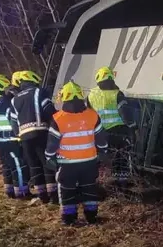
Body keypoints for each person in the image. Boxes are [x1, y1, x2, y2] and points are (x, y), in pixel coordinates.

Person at [45, 81, 108, 225]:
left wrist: (49, 157)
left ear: (63, 98)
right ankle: (92, 216)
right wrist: (103, 151)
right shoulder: (92, 115)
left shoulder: (58, 118)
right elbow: (101, 138)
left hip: (66, 164)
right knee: (89, 188)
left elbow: (52, 143)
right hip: (89, 161)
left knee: (67, 189)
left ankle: (69, 218)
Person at [9, 70, 58, 204]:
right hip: (41, 132)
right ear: (33, 80)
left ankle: (42, 196)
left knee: (34, 165)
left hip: (24, 137)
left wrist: (19, 134)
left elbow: (13, 121)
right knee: (46, 163)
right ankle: (53, 195)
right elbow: (49, 111)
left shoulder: (14, 99)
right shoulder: (39, 92)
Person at [86, 66, 136, 186]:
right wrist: (133, 127)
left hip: (99, 132)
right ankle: (121, 183)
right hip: (118, 131)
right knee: (121, 156)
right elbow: (125, 113)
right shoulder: (117, 94)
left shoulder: (91, 95)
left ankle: (93, 181)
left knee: (100, 156)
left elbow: (87, 113)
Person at [0, 74, 30, 199]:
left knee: (6, 166)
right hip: (10, 138)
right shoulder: (1, 100)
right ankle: (22, 192)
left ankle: (9, 190)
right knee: (18, 166)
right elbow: (12, 114)